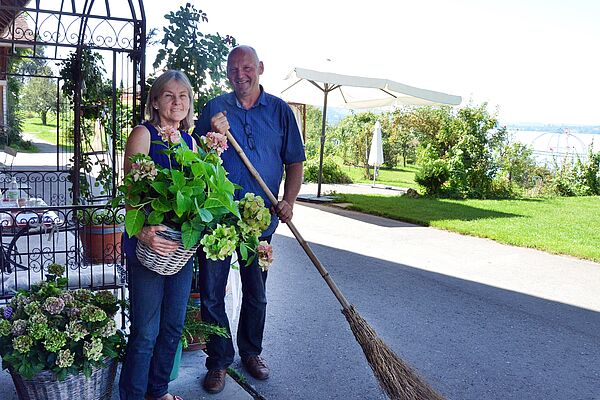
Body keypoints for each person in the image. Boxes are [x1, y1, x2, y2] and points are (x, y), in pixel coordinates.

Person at [195, 45, 306, 394]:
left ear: (260, 67)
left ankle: (251, 353)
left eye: (246, 68)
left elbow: (295, 162)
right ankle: (218, 362)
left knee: (256, 293)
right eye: (233, 69)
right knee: (212, 293)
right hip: (217, 217)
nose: (240, 75)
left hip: (260, 222)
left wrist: (288, 201)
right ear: (227, 73)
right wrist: (212, 135)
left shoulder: (279, 111)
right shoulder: (215, 108)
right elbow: (196, 157)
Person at [119, 70, 197, 400]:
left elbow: (196, 197)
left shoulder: (192, 143)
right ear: (155, 100)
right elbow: (130, 195)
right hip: (148, 245)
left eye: (183, 96)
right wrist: (144, 235)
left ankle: (159, 391)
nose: (177, 101)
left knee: (172, 328)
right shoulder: (144, 134)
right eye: (169, 95)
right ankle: (134, 396)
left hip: (179, 250)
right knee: (146, 332)